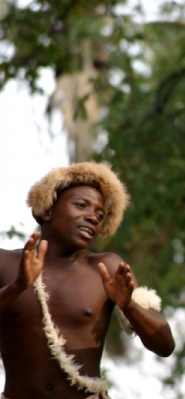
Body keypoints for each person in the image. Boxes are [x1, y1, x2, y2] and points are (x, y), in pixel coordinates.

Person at [0, 162, 175, 399]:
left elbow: (165, 346)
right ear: (47, 210)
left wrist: (129, 306)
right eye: (81, 205)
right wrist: (17, 287)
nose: (93, 217)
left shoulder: (106, 268)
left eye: (99, 215)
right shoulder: (5, 264)